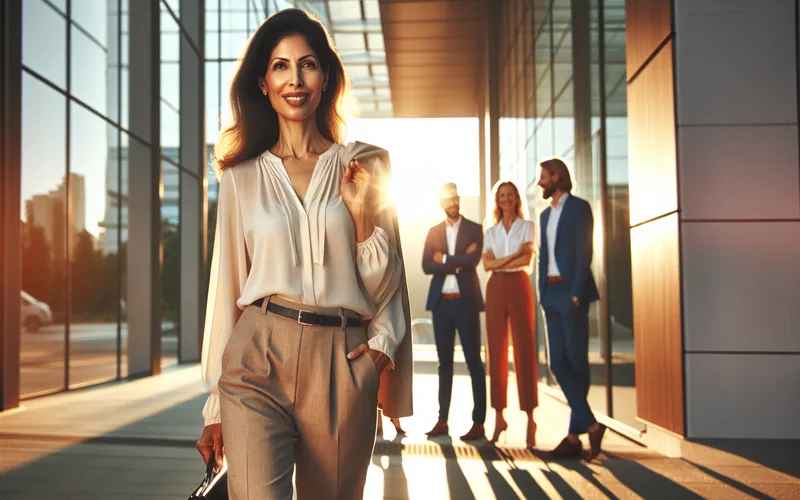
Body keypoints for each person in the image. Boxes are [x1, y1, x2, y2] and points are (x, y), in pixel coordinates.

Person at [195, 9, 413, 498]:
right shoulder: (240, 179)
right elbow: (226, 291)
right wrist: (214, 408)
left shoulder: (365, 165)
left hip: (341, 359)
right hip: (256, 359)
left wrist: (379, 349)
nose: (295, 79)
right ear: (263, 82)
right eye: (280, 66)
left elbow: (387, 287)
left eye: (308, 64)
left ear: (326, 77)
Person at [537, 157, 604, 459]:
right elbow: (543, 256)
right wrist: (541, 291)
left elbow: (584, 250)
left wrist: (577, 291)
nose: (540, 182)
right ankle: (590, 425)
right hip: (550, 294)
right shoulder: (543, 215)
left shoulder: (579, 208)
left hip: (571, 294)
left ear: (555, 177)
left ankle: (574, 437)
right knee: (558, 364)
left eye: (543, 177)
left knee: (576, 364)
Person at [422, 182, 487, 441]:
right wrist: (458, 261)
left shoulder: (474, 229)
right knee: (444, 364)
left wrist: (445, 259)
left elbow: (473, 261)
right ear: (441, 202)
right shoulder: (433, 231)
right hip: (441, 304)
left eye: (455, 197)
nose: (452, 202)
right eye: (447, 198)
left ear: (459, 199)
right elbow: (427, 265)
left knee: (474, 362)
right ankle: (442, 420)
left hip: (466, 303)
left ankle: (478, 422)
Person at [481, 180, 538, 449]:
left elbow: (526, 261)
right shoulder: (489, 231)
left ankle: (530, 417)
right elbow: (487, 265)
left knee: (525, 349)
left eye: (510, 195)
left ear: (517, 199)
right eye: (501, 196)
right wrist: (511, 256)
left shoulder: (527, 226)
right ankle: (499, 417)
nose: (506, 199)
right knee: (496, 351)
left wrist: (501, 262)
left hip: (519, 285)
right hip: (495, 289)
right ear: (497, 200)